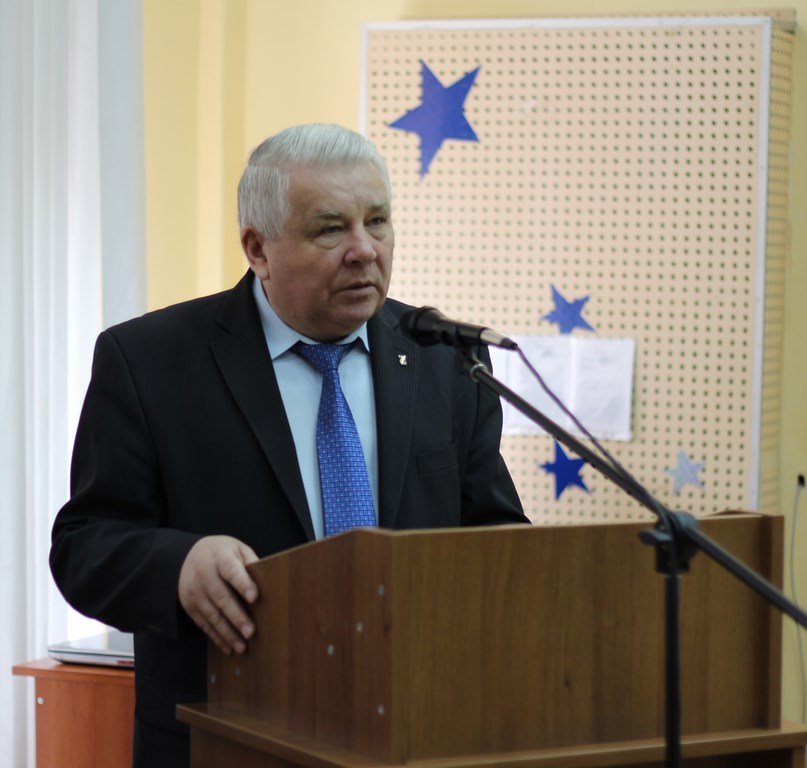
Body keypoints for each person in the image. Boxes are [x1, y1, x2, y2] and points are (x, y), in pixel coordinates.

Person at [49, 124, 526, 767]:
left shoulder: (444, 358)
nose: (364, 250)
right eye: (331, 229)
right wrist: (178, 566)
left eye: (377, 221)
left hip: (418, 733)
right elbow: (85, 545)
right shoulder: (149, 360)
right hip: (228, 737)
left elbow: (497, 540)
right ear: (258, 248)